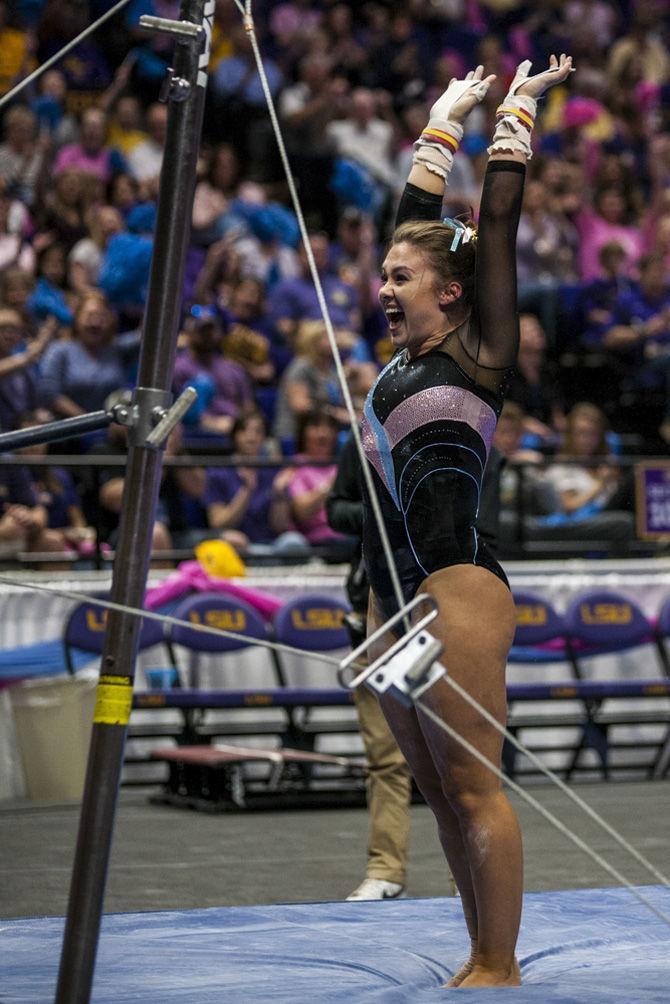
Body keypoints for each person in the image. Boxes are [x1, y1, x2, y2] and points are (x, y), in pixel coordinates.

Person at [357, 55, 573, 988]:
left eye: (400, 278)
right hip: (403, 596)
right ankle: (478, 950)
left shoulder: (479, 352)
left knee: (476, 786)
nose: (385, 286)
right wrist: (440, 122)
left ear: (450, 292)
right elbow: (413, 229)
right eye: (384, 276)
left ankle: (502, 962)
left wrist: (515, 117)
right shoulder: (401, 362)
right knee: (440, 795)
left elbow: (498, 228)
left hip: (461, 588)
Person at [327, 431, 504, 902]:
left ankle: (462, 879)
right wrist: (383, 515)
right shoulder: (365, 438)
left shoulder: (475, 439)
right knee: (386, 757)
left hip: (450, 615)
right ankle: (386, 867)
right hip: (382, 602)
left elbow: (485, 529)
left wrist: (421, 523)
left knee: (462, 764)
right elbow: (336, 508)